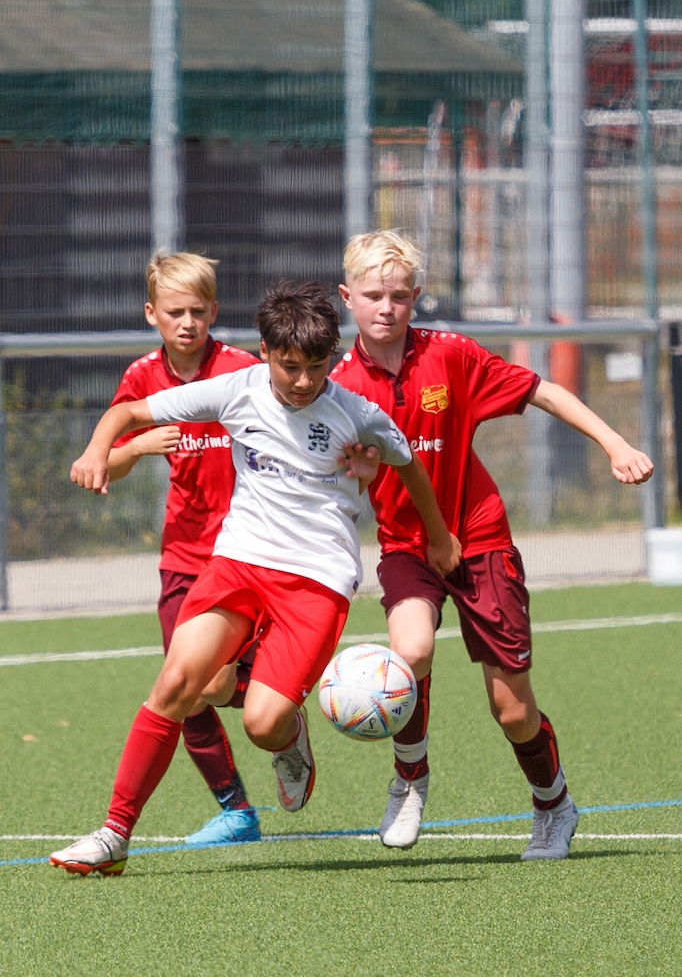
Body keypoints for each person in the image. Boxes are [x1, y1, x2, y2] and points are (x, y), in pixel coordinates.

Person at [50, 279, 461, 876]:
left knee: (262, 724)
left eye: (316, 367)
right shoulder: (236, 389)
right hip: (239, 562)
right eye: (290, 366)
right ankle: (114, 835)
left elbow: (410, 465)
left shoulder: (356, 413)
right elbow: (128, 412)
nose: (303, 381)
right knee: (178, 684)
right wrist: (96, 450)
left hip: (317, 579)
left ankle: (289, 741)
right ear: (265, 352)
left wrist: (439, 537)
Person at [332, 230, 654, 859]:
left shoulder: (449, 354)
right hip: (407, 546)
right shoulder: (338, 386)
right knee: (410, 652)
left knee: (512, 711)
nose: (386, 308)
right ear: (348, 298)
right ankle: (410, 778)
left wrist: (615, 444)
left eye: (399, 296)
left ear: (416, 296)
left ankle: (554, 805)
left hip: (479, 540)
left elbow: (543, 391)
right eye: (372, 296)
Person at [107, 251, 262, 847]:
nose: (188, 323)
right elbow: (106, 465)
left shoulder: (242, 369)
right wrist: (136, 448)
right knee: (185, 684)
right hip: (183, 557)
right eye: (175, 312)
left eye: (198, 311)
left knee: (227, 684)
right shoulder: (142, 377)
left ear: (214, 311)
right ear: (152, 314)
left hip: (249, 551)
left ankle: (286, 719)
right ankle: (236, 811)